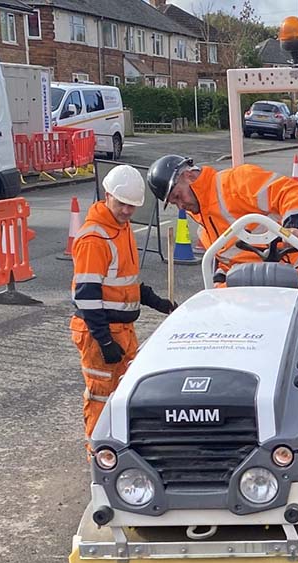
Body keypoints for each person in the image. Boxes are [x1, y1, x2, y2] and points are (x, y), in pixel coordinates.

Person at [146, 155, 298, 315]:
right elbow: (225, 264)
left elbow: (287, 190)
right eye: (174, 203)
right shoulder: (205, 229)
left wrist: (295, 225)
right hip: (253, 284)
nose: (181, 206)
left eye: (178, 197)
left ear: (188, 176)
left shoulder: (235, 181)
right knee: (221, 312)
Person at [71, 164, 175, 439]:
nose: (127, 211)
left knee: (124, 395)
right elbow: (88, 297)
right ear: (107, 195)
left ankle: (118, 449)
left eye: (132, 205)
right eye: (122, 203)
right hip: (100, 332)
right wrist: (104, 341)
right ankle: (98, 456)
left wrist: (158, 302)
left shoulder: (122, 228)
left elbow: (125, 283)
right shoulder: (94, 238)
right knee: (101, 397)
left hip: (121, 330)